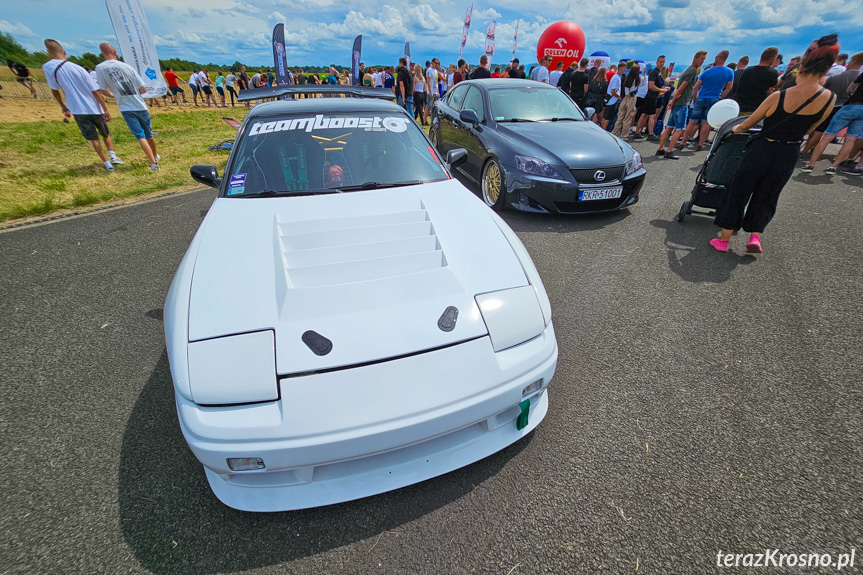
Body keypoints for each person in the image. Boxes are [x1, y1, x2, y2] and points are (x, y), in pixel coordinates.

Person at [711, 34, 839, 254]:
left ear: (801, 68)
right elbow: (811, 128)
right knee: (769, 193)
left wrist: (733, 129)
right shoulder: (829, 98)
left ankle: (724, 239)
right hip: (789, 150)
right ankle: (754, 236)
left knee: (739, 190)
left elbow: (747, 124)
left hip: (763, 147)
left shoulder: (778, 97)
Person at [42, 39, 122, 172]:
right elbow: (96, 92)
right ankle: (113, 156)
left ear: (49, 52)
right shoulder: (79, 69)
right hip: (94, 107)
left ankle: (107, 164)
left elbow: (55, 90)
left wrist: (62, 105)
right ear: (64, 52)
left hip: (77, 109)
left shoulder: (48, 67)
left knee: (93, 138)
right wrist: (105, 109)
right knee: (105, 133)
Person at [94, 42, 160, 171]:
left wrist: (114, 95)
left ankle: (153, 163)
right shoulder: (127, 66)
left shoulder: (100, 68)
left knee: (140, 136)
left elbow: (102, 90)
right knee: (149, 134)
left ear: (102, 53)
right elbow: (142, 89)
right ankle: (155, 156)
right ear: (115, 52)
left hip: (126, 107)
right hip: (140, 105)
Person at [802, 68, 862, 174]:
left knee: (827, 137)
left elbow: (850, 89)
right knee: (850, 140)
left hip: (851, 106)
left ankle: (811, 164)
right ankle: (834, 166)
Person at [656, 50, 707, 159]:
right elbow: (682, 88)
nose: (702, 61)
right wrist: (673, 101)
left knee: (669, 127)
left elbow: (679, 89)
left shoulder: (688, 70)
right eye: (701, 59)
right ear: (695, 58)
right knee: (680, 129)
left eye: (704, 59)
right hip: (682, 103)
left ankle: (660, 148)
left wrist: (673, 101)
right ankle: (669, 151)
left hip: (678, 103)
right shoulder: (692, 71)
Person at [687, 50, 734, 150]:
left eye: (716, 57)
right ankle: (700, 144)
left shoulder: (708, 71)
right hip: (715, 98)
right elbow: (729, 87)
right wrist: (721, 98)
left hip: (702, 97)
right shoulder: (729, 72)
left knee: (692, 121)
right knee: (706, 123)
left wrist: (694, 99)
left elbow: (696, 87)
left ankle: (683, 141)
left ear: (720, 58)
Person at [734, 47, 781, 114]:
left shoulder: (748, 70)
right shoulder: (771, 73)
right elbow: (775, 85)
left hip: (740, 107)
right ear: (773, 59)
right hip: (755, 109)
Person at [636, 55, 670, 141]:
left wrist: (663, 89)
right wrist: (661, 89)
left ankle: (638, 132)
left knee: (644, 114)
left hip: (652, 96)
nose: (662, 63)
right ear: (657, 62)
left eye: (663, 62)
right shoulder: (654, 72)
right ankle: (650, 134)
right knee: (652, 115)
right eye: (660, 62)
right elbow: (651, 86)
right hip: (651, 96)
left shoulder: (658, 73)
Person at [612, 62, 640, 139]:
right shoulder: (636, 79)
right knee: (628, 118)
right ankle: (624, 135)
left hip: (625, 98)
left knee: (620, 117)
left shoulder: (626, 77)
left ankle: (615, 133)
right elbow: (642, 84)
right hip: (631, 98)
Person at [602, 62, 623, 131]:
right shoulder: (616, 78)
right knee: (608, 117)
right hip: (612, 100)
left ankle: (602, 129)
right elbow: (613, 91)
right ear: (619, 68)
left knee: (605, 117)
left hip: (610, 99)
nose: (625, 70)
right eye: (624, 68)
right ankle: (604, 131)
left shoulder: (616, 77)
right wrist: (618, 96)